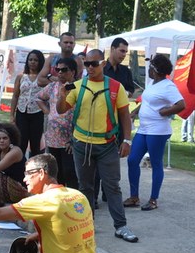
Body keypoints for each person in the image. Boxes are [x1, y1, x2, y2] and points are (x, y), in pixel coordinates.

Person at [57, 48, 138, 243]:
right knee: (85, 187)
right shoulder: (77, 86)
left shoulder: (116, 87)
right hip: (81, 145)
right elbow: (61, 110)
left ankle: (121, 226)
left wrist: (127, 140)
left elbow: (125, 116)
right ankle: (87, 225)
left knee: (112, 187)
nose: (90, 67)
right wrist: (61, 95)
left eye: (94, 64)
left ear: (103, 63)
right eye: (87, 64)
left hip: (107, 144)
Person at [125, 54, 185, 211]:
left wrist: (166, 112)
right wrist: (135, 112)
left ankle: (153, 199)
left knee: (156, 163)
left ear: (156, 70)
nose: (149, 70)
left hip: (158, 131)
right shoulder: (153, 83)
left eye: (151, 67)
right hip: (144, 128)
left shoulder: (168, 86)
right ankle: (134, 197)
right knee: (132, 160)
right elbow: (147, 101)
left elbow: (181, 104)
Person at [36, 57, 78, 189]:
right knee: (56, 171)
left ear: (73, 72)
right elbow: (38, 97)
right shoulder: (53, 86)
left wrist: (74, 138)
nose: (59, 73)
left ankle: (73, 199)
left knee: (70, 171)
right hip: (53, 137)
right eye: (57, 70)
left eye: (63, 70)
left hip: (70, 138)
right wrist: (47, 112)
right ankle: (59, 199)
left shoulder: (78, 88)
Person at [11, 49, 45, 157]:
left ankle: (34, 169)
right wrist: (12, 115)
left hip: (37, 113)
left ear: (40, 62)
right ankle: (19, 169)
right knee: (21, 143)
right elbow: (15, 95)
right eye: (30, 59)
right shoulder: (21, 77)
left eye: (35, 60)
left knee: (35, 145)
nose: (33, 62)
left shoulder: (43, 78)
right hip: (22, 112)